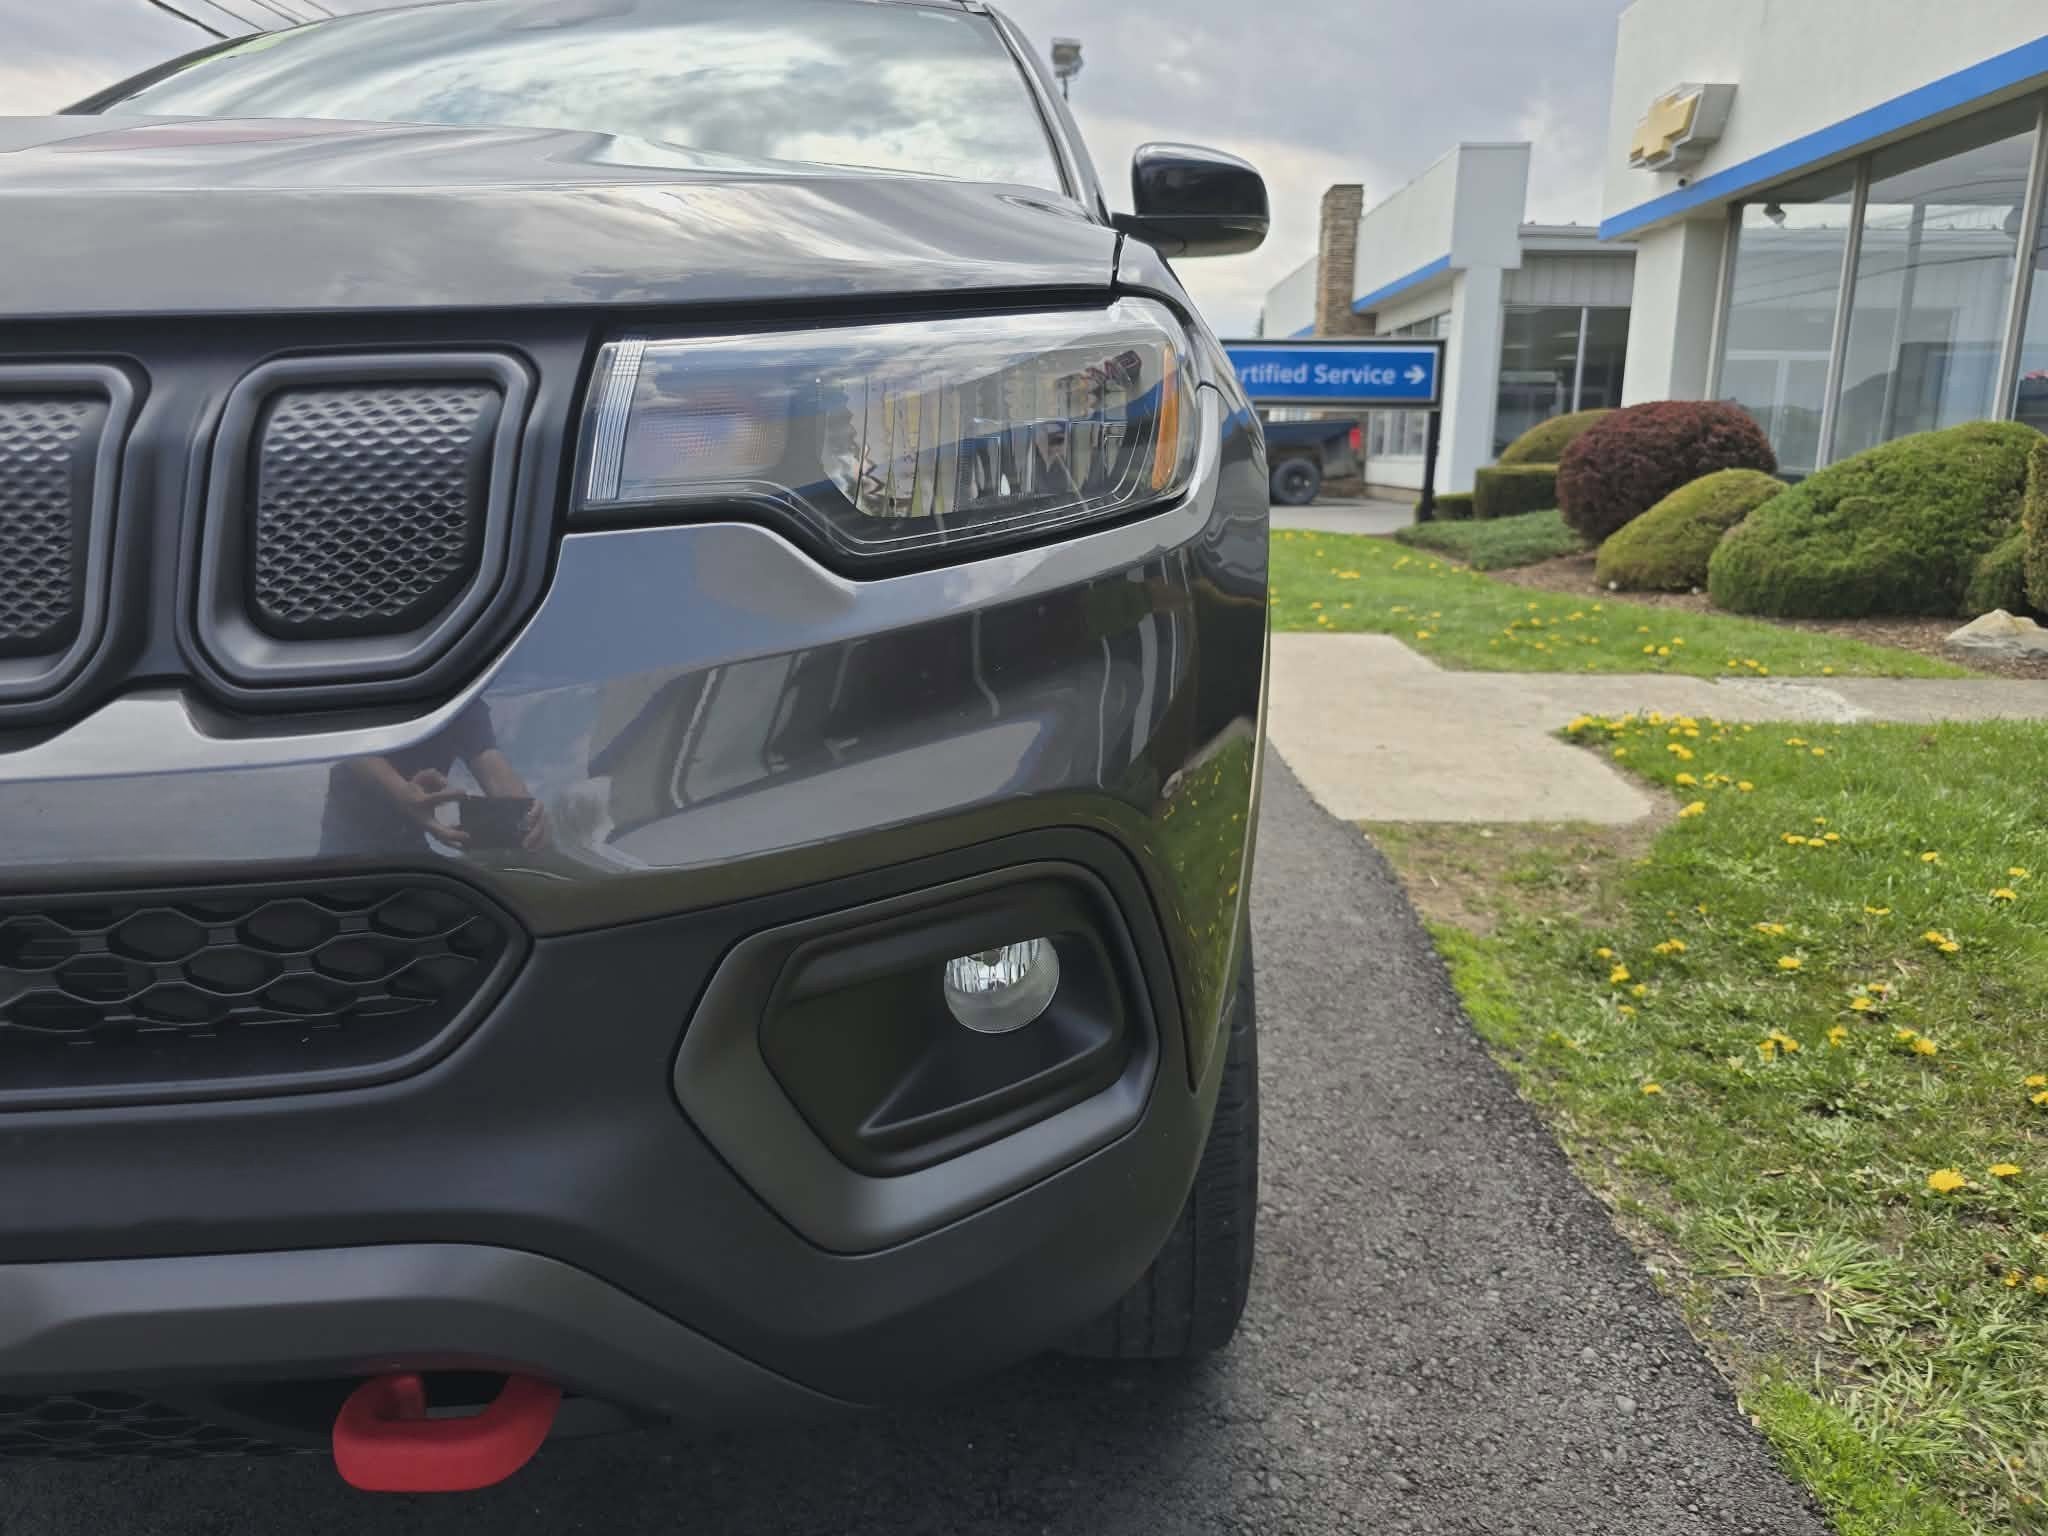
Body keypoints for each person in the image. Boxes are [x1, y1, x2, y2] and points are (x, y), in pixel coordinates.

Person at [319, 700, 544, 857]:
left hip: (411, 842)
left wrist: (525, 811)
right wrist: (400, 791)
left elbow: (487, 759)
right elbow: (346, 734)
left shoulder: (462, 699)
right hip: (346, 839)